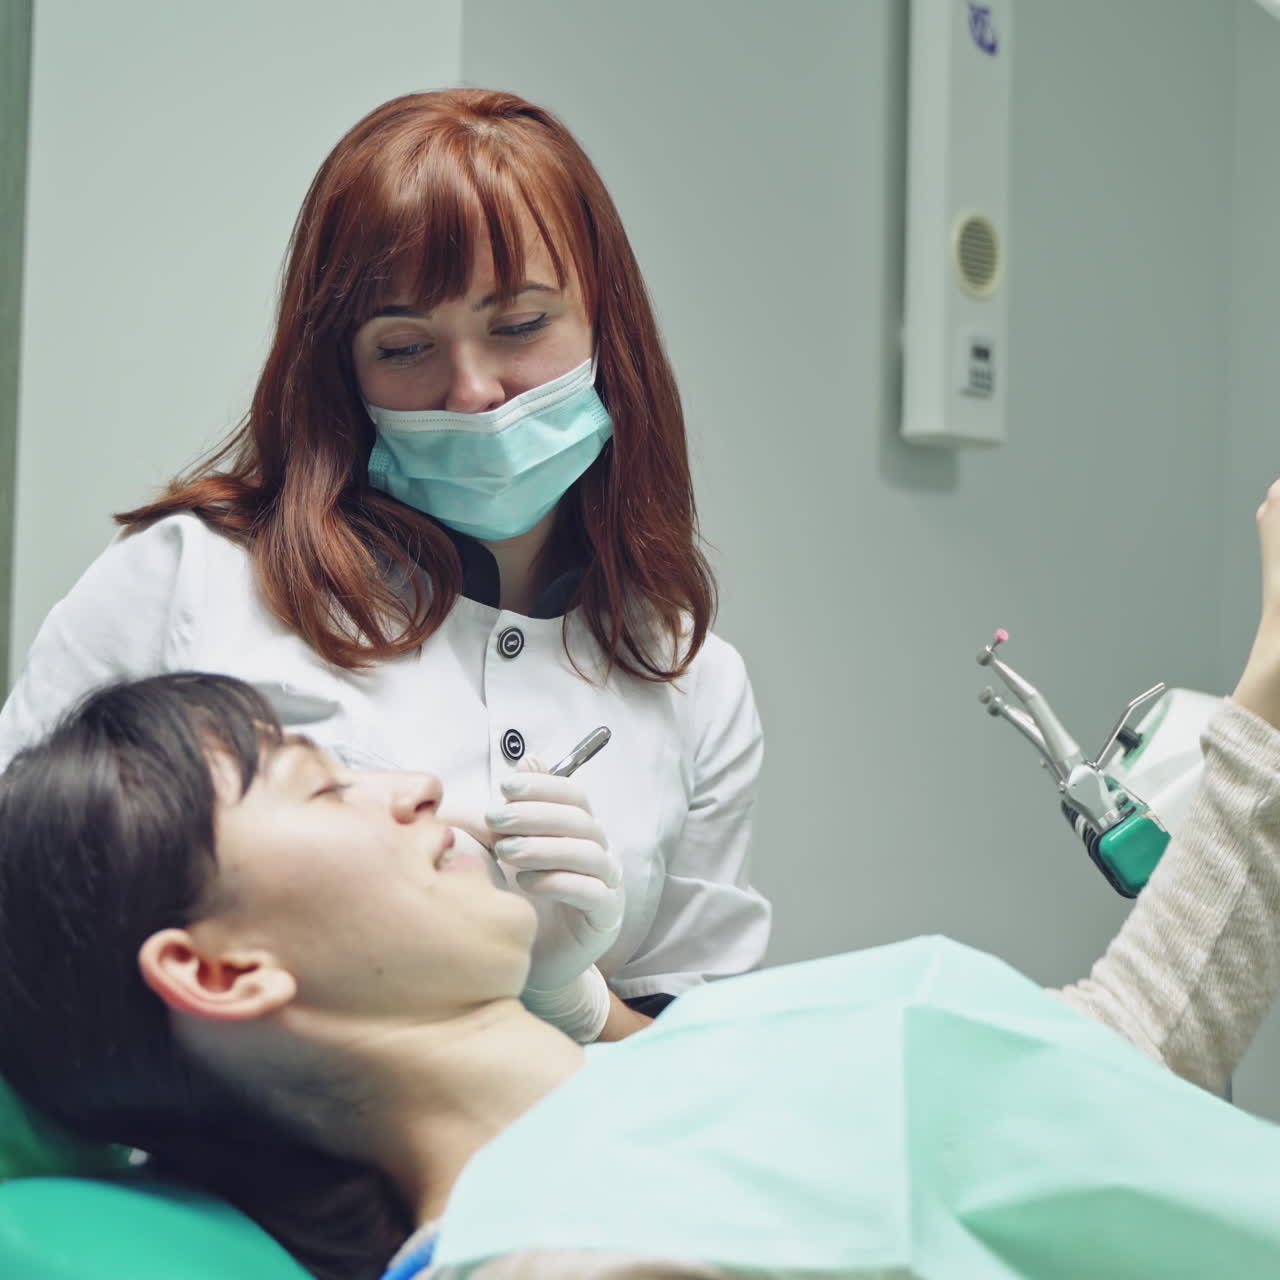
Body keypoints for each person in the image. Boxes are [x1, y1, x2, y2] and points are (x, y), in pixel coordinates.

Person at [5, 491, 1280, 1280]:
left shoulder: (676, 1064)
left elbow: (1109, 1070)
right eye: (318, 784)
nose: (408, 787)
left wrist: (1265, 695)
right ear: (222, 969)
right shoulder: (553, 1247)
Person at [0, 89, 771, 1045]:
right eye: (404, 347)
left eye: (522, 325)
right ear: (342, 371)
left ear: (606, 327)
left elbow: (708, 1061)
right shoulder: (192, 582)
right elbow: (24, 912)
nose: (474, 391)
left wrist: (574, 1000)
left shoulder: (687, 677)